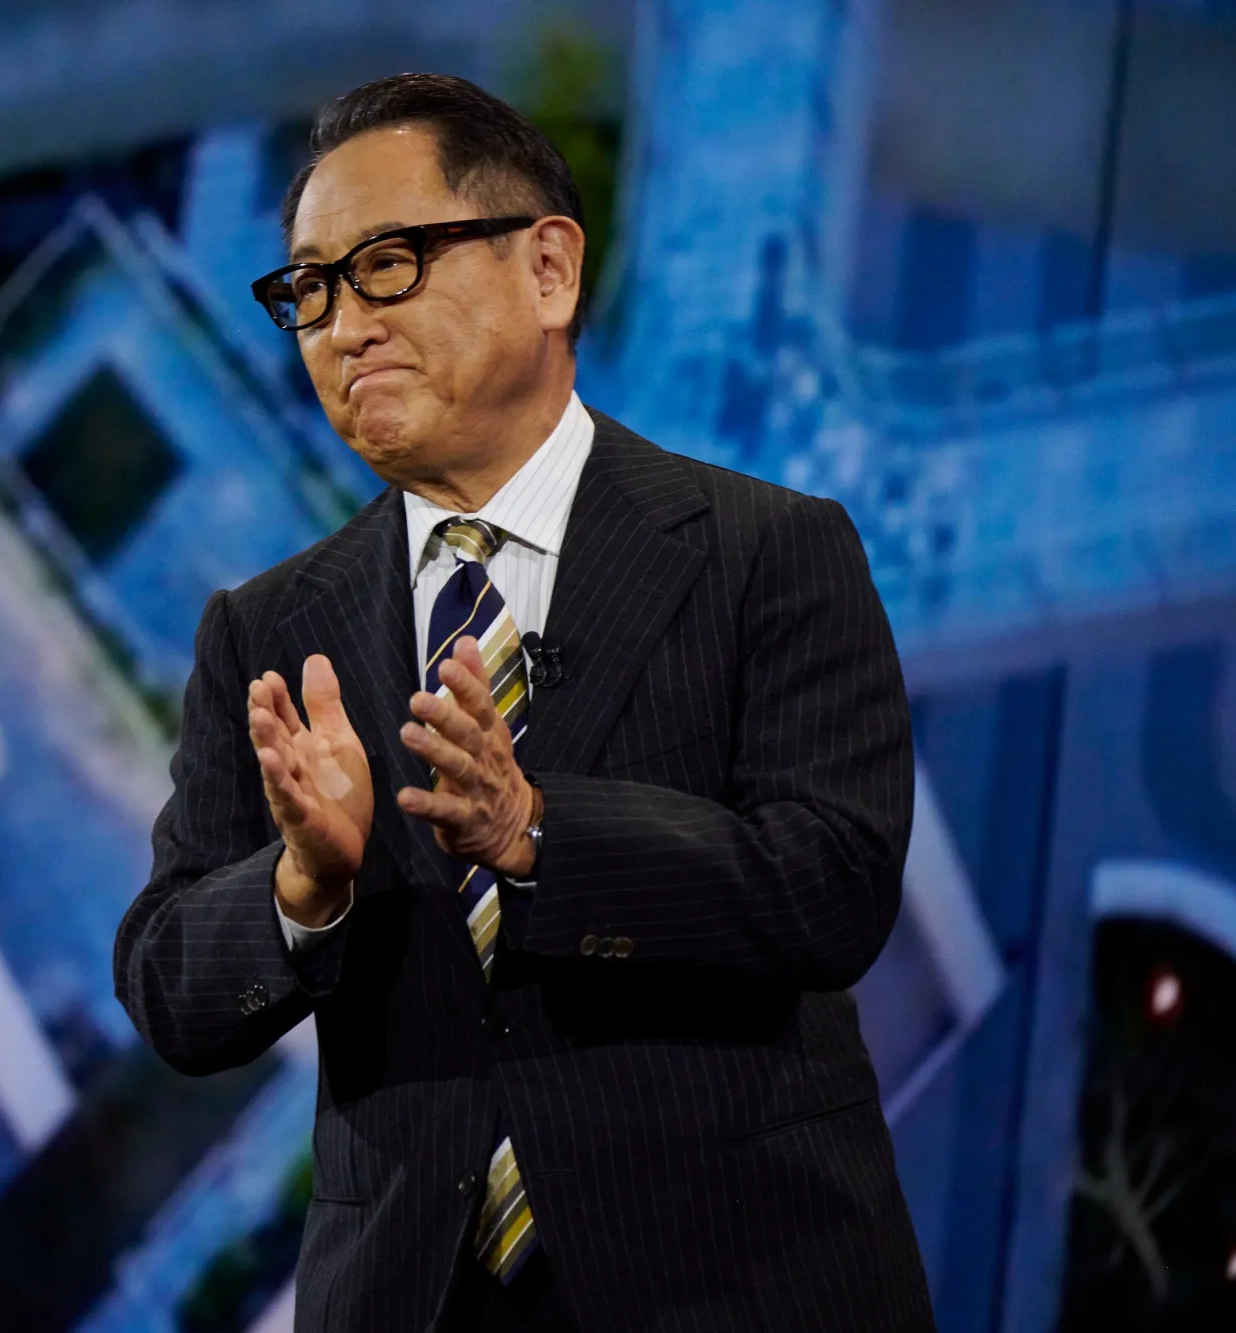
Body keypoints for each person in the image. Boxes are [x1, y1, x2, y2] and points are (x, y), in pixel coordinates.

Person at [113, 72, 935, 1332]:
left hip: (743, 1284)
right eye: (309, 292)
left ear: (547, 269)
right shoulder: (266, 632)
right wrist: (301, 888)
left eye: (386, 265)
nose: (341, 326)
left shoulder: (765, 551)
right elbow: (168, 985)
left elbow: (833, 886)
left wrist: (539, 833)